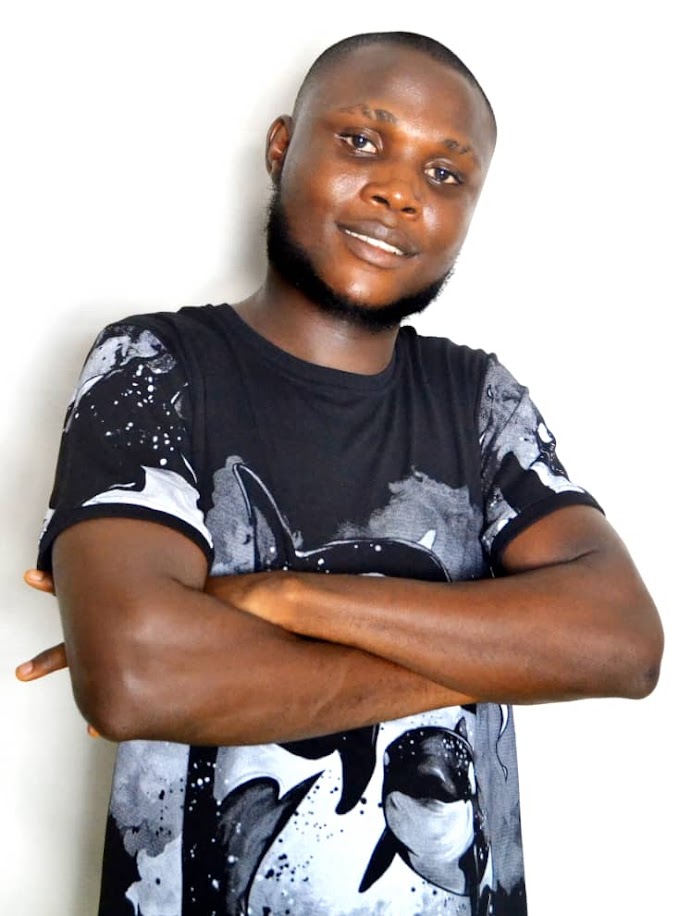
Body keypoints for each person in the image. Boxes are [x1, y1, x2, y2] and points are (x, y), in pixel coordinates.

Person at [17, 31, 663, 916]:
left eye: (446, 173)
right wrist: (514, 657)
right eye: (362, 140)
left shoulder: (479, 400)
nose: (400, 190)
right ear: (281, 148)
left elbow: (623, 643)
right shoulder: (155, 366)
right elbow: (137, 678)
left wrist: (277, 598)